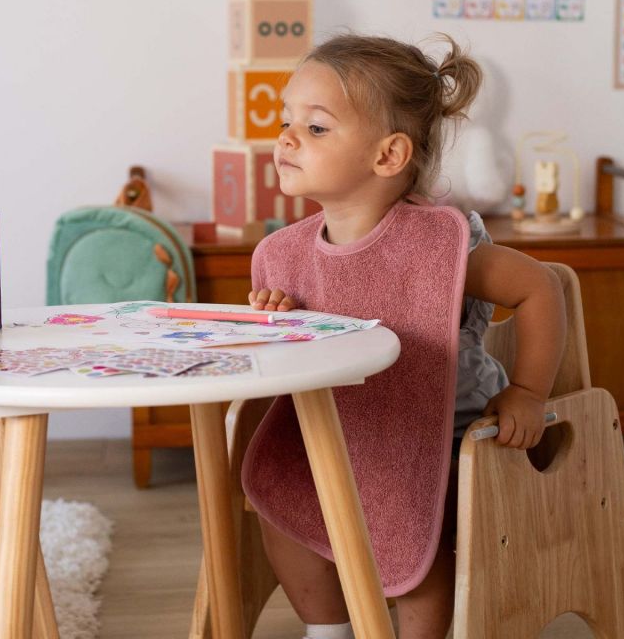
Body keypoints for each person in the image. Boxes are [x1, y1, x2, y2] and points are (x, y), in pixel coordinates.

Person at [240, 34, 566, 639]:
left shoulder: (442, 244)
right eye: (286, 121)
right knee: (279, 502)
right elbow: (303, 342)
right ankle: (330, 629)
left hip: (447, 434)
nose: (285, 138)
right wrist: (282, 317)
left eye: (315, 128)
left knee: (423, 527)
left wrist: (526, 391)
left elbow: (540, 288)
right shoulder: (287, 255)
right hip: (344, 431)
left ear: (389, 155)